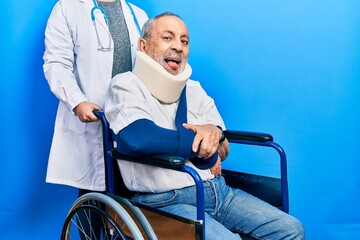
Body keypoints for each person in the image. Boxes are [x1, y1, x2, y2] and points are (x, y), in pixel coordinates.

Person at [105, 12, 305, 240]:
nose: (178, 47)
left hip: (219, 191)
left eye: (184, 41)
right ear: (144, 46)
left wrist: (216, 135)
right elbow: (139, 138)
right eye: (168, 38)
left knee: (291, 230)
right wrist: (202, 148)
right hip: (165, 201)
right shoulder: (126, 85)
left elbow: (223, 149)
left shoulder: (194, 89)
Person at [43, 0, 148, 193]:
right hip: (94, 121)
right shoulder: (68, 8)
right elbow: (56, 63)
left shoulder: (139, 15)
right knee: (93, 200)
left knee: (132, 203)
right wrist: (77, 102)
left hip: (130, 124)